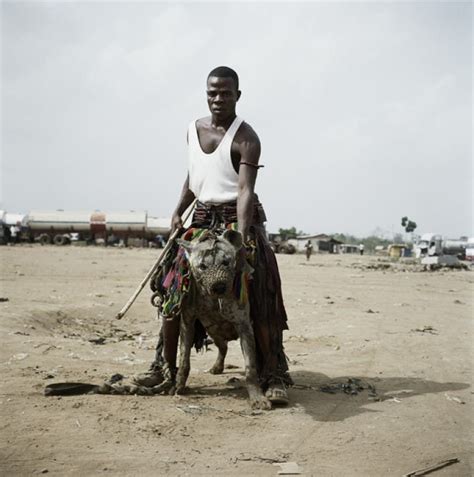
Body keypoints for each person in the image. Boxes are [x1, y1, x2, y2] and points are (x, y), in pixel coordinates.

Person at [136, 66, 292, 404]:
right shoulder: (193, 130)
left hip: (238, 221)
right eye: (212, 93)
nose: (218, 98)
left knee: (262, 293)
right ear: (206, 94)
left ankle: (272, 374)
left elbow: (245, 190)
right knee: (173, 293)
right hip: (201, 220)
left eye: (225, 92)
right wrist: (178, 210)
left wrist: (241, 233)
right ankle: (163, 367)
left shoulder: (247, 138)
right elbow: (195, 177)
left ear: (238, 94)